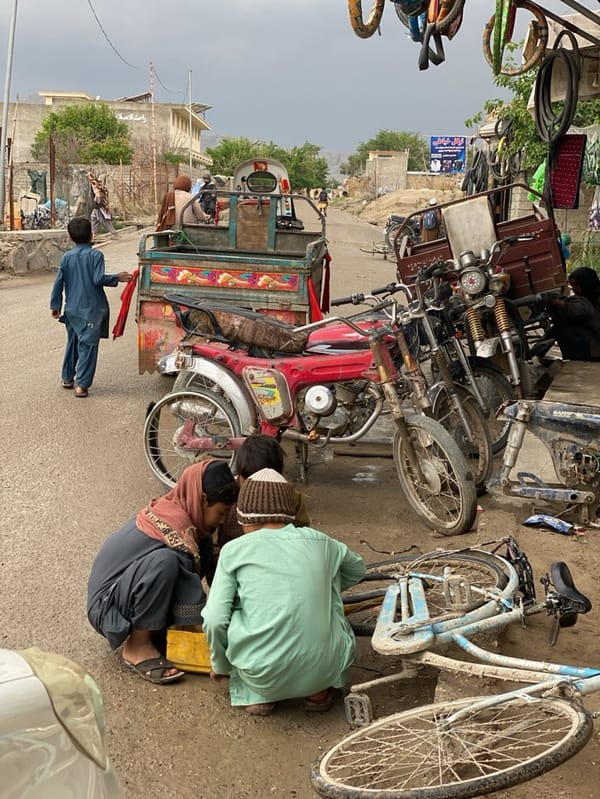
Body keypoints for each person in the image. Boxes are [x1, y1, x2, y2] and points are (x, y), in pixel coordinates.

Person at [202, 468, 366, 715]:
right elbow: (357, 570)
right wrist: (320, 586)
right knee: (328, 600)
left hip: (260, 672)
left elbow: (214, 620)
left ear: (244, 518)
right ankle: (317, 692)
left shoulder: (233, 551)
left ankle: (260, 695)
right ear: (289, 514)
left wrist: (220, 664)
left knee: (235, 607)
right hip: (323, 669)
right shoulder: (323, 542)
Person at [87, 460, 239, 685]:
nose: (224, 519)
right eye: (222, 512)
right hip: (107, 604)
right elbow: (191, 592)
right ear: (203, 500)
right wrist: (222, 644)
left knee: (202, 545)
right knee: (166, 561)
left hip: (128, 587)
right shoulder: (176, 529)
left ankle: (153, 626)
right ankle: (137, 646)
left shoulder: (184, 514)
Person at [50, 216, 133, 397]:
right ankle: (82, 385)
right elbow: (97, 278)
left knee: (72, 342)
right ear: (91, 235)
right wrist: (117, 277)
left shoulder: (66, 258)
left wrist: (55, 305)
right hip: (91, 310)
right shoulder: (96, 255)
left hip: (72, 310)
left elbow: (58, 283)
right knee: (87, 346)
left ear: (71, 238)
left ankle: (67, 378)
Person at [218, 434, 310, 548]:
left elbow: (302, 533)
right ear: (240, 475)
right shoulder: (226, 494)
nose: (253, 491)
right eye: (247, 483)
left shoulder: (291, 496)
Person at [548, 266, 600, 361]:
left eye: (575, 285)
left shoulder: (585, 301)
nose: (573, 289)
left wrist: (558, 302)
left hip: (595, 350)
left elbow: (578, 310)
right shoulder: (591, 296)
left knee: (562, 329)